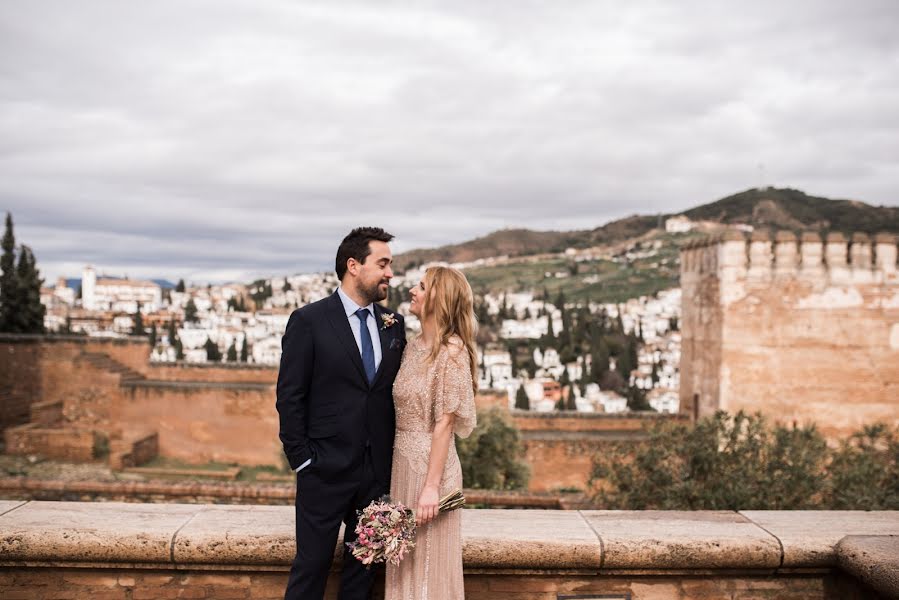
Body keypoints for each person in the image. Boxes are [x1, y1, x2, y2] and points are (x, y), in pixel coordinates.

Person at [276, 227, 406, 600]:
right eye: (382, 263)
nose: (390, 273)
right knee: (311, 568)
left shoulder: (394, 324)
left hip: (377, 477)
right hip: (323, 472)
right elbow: (290, 396)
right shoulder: (309, 321)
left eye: (390, 264)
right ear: (353, 265)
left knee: (362, 576)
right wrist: (302, 459)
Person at [385, 266, 477, 600]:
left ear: (438, 298)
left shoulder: (452, 352)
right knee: (404, 564)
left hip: (431, 471)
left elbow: (445, 425)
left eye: (421, 286)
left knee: (429, 569)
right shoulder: (411, 348)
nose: (412, 290)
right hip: (402, 466)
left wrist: (431, 488)